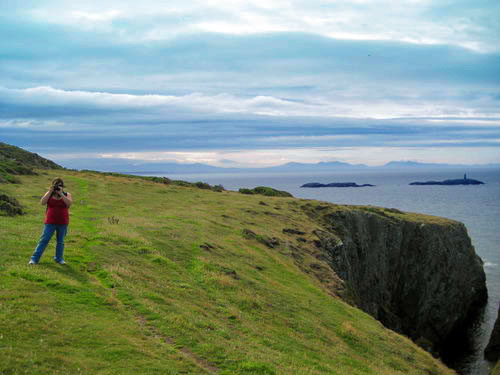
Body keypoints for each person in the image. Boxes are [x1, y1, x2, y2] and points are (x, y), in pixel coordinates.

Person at [29, 177, 73, 265]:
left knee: (60, 241)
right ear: (52, 186)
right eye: (56, 186)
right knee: (44, 240)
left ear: (62, 186)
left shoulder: (66, 194)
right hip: (50, 222)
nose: (57, 187)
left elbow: (69, 203)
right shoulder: (49, 194)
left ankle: (59, 259)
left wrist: (61, 194)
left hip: (63, 222)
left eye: (60, 185)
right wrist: (49, 191)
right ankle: (34, 259)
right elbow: (42, 202)